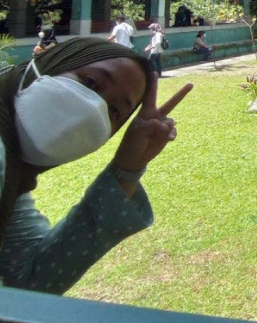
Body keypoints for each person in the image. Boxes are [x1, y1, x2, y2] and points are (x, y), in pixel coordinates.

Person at [0, 37, 192, 294]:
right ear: (47, 65)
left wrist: (127, 169)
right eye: (90, 82)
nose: (92, 108)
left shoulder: (13, 183)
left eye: (113, 111)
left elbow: (30, 279)